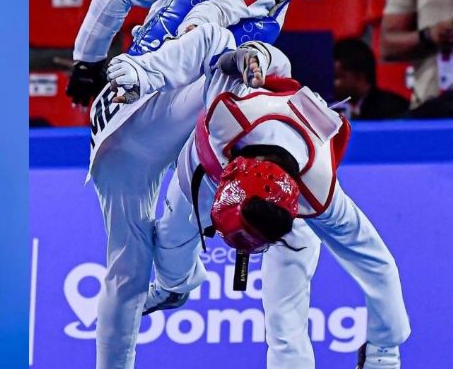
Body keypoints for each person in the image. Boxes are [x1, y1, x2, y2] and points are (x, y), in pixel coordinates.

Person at [64, 0, 336, 367]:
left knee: (124, 274)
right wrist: (146, 70)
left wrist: (87, 62)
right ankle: (240, 183)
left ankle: (173, 284)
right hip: (153, 99)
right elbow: (205, 27)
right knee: (243, 62)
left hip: (110, 130)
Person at [106, 23, 411, 369]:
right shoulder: (229, 113)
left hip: (283, 215)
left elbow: (374, 260)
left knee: (286, 320)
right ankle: (175, 285)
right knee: (170, 246)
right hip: (205, 173)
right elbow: (242, 58)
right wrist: (254, 55)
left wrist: (385, 348)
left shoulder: (318, 190)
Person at [334, 39, 409, 119]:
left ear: (360, 77)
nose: (332, 84)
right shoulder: (330, 109)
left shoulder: (395, 110)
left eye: (336, 77)